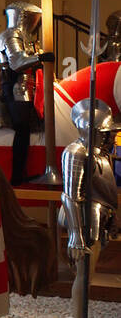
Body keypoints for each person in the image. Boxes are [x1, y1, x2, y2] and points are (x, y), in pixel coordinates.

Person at [0, 1, 47, 185]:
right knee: (22, 129)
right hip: (16, 87)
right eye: (32, 19)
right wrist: (40, 57)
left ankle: (25, 172)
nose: (35, 23)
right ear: (22, 17)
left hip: (30, 85)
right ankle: (17, 176)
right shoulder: (10, 35)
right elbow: (17, 62)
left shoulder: (29, 38)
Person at [59, 98, 119, 261]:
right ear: (92, 132)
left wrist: (112, 216)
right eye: (105, 133)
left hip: (98, 216)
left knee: (89, 274)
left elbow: (104, 190)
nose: (110, 137)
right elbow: (71, 196)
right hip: (83, 219)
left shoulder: (101, 154)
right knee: (84, 274)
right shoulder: (76, 152)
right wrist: (76, 236)